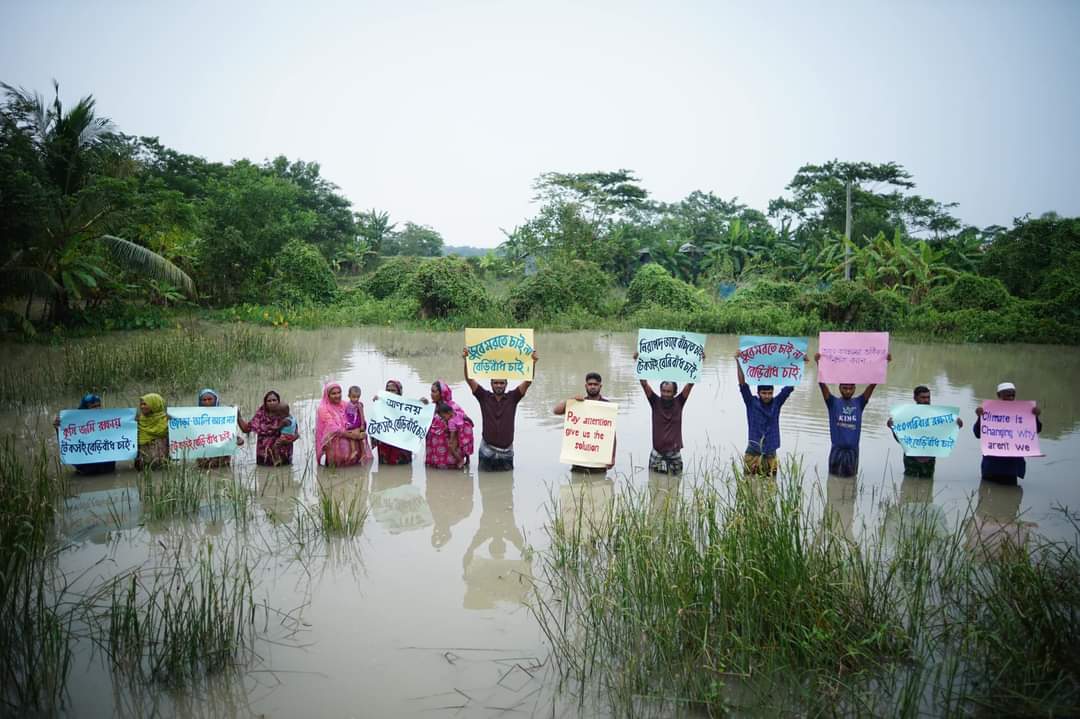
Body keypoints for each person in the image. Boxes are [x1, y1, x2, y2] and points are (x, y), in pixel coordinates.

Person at [814, 352, 889, 477]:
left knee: (851, 481)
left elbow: (873, 384)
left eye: (850, 388)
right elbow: (822, 384)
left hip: (853, 452)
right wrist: (818, 363)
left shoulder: (859, 402)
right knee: (833, 480)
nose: (848, 391)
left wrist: (884, 363)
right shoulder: (832, 402)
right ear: (840, 388)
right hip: (836, 451)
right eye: (845, 388)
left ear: (854, 388)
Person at [462, 347, 537, 471]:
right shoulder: (483, 396)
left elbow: (528, 381)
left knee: (506, 487)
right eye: (496, 383)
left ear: (506, 384)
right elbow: (469, 379)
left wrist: (533, 363)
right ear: (491, 384)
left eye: (501, 383)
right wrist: (466, 359)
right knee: (485, 485)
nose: (499, 385)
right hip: (487, 450)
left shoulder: (513, 397)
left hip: (507, 451)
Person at [735, 353, 806, 477]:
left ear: (773, 392)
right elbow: (742, 384)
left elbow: (789, 386)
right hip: (753, 453)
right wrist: (738, 361)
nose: (767, 396)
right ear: (758, 393)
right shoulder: (751, 402)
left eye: (770, 393)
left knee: (770, 488)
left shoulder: (777, 403)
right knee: (747, 486)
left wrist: (801, 363)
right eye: (764, 393)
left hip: (770, 454)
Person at [632, 352, 695, 475]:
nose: (665, 394)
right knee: (653, 482)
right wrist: (638, 362)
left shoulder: (679, 401)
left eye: (668, 392)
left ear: (674, 392)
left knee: (676, 482)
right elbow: (644, 384)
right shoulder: (655, 401)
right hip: (657, 451)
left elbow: (690, 383)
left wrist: (699, 362)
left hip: (674, 452)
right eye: (663, 391)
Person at [887, 385, 963, 478]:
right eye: (923, 397)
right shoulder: (906, 415)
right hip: (911, 458)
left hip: (929, 458)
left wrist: (956, 425)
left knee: (927, 484)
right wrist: (893, 428)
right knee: (909, 484)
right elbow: (900, 440)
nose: (926, 400)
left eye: (928, 397)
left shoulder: (937, 416)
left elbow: (945, 434)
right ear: (915, 398)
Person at [973, 381, 1042, 485]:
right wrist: (980, 417)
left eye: (1012, 395)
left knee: (1011, 492)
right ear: (999, 395)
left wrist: (1035, 417)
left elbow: (1037, 430)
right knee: (987, 496)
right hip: (991, 465)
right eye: (1007, 395)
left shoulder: (1022, 412)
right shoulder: (988, 412)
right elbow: (978, 433)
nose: (1010, 398)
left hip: (1011, 467)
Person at [553, 372, 615, 473]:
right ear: (586, 386)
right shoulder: (578, 403)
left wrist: (612, 456)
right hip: (579, 460)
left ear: (600, 386)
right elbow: (556, 411)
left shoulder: (607, 406)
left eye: (595, 384)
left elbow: (612, 434)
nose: (593, 387)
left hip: (599, 460)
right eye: (590, 384)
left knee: (600, 486)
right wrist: (572, 399)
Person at [53, 393, 116, 476]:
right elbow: (67, 445)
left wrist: (133, 424)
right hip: (85, 472)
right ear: (84, 409)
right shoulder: (75, 426)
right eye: (93, 407)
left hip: (108, 471)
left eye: (98, 406)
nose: (97, 409)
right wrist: (58, 429)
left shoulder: (109, 423)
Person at [315, 382, 369, 467]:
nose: (337, 395)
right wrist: (353, 435)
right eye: (333, 393)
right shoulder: (323, 409)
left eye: (339, 392)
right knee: (336, 473)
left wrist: (359, 428)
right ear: (327, 395)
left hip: (352, 446)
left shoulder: (345, 404)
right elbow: (333, 429)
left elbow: (357, 419)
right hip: (335, 448)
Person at [426, 380, 475, 469]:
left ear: (442, 393)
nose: (431, 394)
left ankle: (459, 461)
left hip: (449, 453)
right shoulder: (431, 407)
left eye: (434, 391)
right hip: (434, 454)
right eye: (431, 391)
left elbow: (465, 424)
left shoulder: (452, 407)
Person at [239, 390, 297, 466]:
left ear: (278, 401)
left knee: (284, 475)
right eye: (269, 401)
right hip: (264, 457)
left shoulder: (285, 415)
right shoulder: (260, 416)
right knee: (263, 475)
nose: (272, 402)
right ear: (265, 403)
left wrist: (287, 441)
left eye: (274, 400)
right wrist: (238, 416)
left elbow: (296, 434)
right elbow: (246, 429)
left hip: (283, 456)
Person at [194, 388, 244, 469]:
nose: (207, 402)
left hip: (222, 463)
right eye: (204, 400)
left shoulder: (224, 417)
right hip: (203, 464)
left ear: (216, 400)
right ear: (200, 402)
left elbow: (233, 437)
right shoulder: (194, 418)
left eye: (210, 399)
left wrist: (236, 439)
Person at [371, 380, 413, 465]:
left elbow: (415, 421)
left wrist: (423, 404)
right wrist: (377, 404)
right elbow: (375, 425)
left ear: (399, 392)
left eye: (393, 390)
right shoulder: (380, 405)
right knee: (384, 469)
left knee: (402, 471)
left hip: (401, 446)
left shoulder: (406, 406)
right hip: (385, 444)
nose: (390, 392)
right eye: (388, 390)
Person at [135, 393, 169, 470]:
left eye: (145, 404)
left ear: (155, 404)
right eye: (141, 404)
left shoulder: (167, 421)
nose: (142, 406)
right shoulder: (138, 421)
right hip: (144, 466)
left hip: (163, 465)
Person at [344, 385, 373, 463]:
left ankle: (363, 453)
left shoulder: (359, 405)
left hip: (358, 424)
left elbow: (362, 415)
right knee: (352, 437)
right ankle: (354, 451)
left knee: (359, 438)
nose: (356, 399)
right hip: (351, 424)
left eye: (358, 397)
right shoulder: (347, 404)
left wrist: (362, 425)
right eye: (353, 397)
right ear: (349, 396)